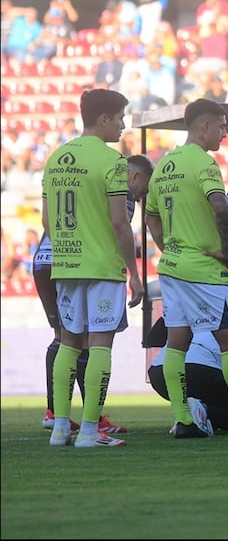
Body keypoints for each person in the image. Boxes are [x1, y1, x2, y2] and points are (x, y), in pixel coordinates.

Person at [41, 89, 145, 448]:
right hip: (102, 266)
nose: (122, 124)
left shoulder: (55, 158)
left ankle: (58, 430)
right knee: (100, 344)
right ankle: (88, 431)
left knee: (68, 341)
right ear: (103, 118)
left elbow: (47, 220)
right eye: (119, 118)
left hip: (66, 265)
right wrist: (134, 272)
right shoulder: (112, 161)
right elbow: (120, 223)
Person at [144, 98, 228, 439]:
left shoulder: (164, 165)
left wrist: (170, 247)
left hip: (173, 267)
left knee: (178, 340)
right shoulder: (204, 164)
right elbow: (221, 207)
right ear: (203, 126)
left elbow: (150, 216)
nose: (224, 132)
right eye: (221, 126)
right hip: (204, 268)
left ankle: (184, 420)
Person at [147, 267, 228, 434]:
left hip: (160, 374)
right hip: (204, 371)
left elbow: (153, 338)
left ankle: (186, 417)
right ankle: (204, 411)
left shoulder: (189, 300)